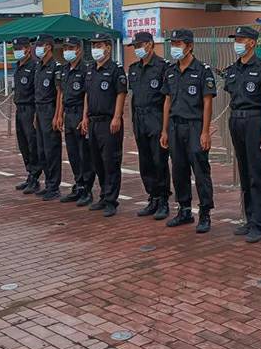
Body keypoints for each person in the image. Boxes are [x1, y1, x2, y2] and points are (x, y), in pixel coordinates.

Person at [223, 26, 261, 244]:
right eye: (236, 40)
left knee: (257, 173)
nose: (237, 43)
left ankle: (258, 223)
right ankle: (249, 217)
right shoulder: (233, 69)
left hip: (256, 121)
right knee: (244, 173)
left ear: (252, 43)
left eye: (241, 39)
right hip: (236, 121)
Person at [160, 29, 215, 233]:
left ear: (189, 46)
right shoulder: (170, 71)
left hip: (194, 126)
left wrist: (205, 131)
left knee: (200, 171)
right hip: (175, 126)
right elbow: (167, 102)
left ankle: (205, 213)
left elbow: (207, 103)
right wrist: (164, 130)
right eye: (172, 44)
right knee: (179, 169)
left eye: (178, 44)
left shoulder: (202, 70)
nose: (174, 47)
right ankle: (184, 210)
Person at [81, 32, 127, 217]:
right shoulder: (90, 69)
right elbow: (87, 94)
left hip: (109, 122)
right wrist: (85, 116)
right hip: (93, 122)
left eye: (99, 45)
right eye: (93, 45)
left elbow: (121, 93)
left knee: (110, 162)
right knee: (97, 162)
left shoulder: (116, 69)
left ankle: (111, 200)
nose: (95, 49)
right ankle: (103, 195)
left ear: (108, 47)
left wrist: (117, 117)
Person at [127, 31, 171, 220]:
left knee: (159, 161)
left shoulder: (162, 67)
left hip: (156, 117)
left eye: (140, 45)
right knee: (145, 162)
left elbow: (167, 98)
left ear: (150, 44)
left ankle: (163, 200)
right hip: (140, 118)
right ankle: (152, 197)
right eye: (135, 46)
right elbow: (134, 97)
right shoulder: (134, 68)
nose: (137, 49)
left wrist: (165, 128)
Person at [56, 37, 95, 206]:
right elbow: (62, 94)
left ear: (78, 49)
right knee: (72, 153)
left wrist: (85, 117)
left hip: (80, 112)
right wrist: (59, 115)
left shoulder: (86, 69)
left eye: (70, 48)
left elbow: (87, 94)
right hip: (69, 114)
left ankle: (87, 188)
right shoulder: (65, 69)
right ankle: (78, 184)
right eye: (65, 48)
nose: (67, 51)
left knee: (84, 153)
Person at [33, 34, 63, 200]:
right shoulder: (39, 66)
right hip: (39, 111)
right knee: (42, 150)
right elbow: (37, 93)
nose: (37, 48)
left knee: (52, 150)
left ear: (49, 47)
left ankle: (54, 186)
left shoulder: (56, 67)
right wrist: (36, 115)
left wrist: (57, 115)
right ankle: (48, 183)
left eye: (40, 45)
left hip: (50, 110)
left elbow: (59, 93)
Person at [11, 37, 41, 194]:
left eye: (20, 48)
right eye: (15, 49)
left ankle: (35, 176)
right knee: (22, 143)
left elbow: (37, 91)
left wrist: (36, 113)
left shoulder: (34, 66)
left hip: (30, 109)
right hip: (19, 109)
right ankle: (30, 173)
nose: (17, 51)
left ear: (28, 49)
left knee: (32, 143)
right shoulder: (18, 66)